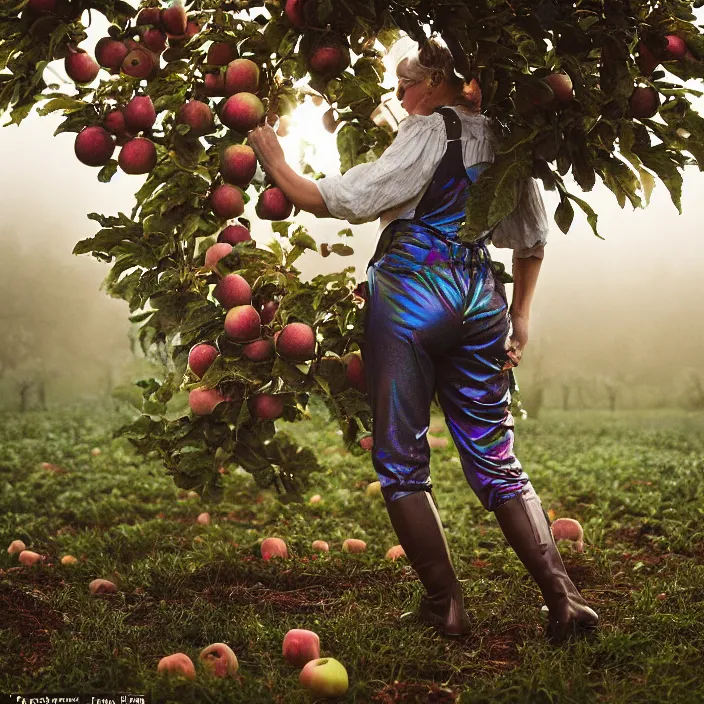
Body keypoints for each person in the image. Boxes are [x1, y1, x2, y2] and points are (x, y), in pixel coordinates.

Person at [248, 37, 598, 644]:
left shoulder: (431, 130)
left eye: (405, 86)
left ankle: (446, 605)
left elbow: (346, 199)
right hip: (482, 297)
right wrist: (519, 318)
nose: (401, 100)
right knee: (496, 457)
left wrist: (275, 160)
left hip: (414, 287)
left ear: (434, 80)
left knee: (403, 461)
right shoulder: (503, 138)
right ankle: (564, 602)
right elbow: (532, 239)